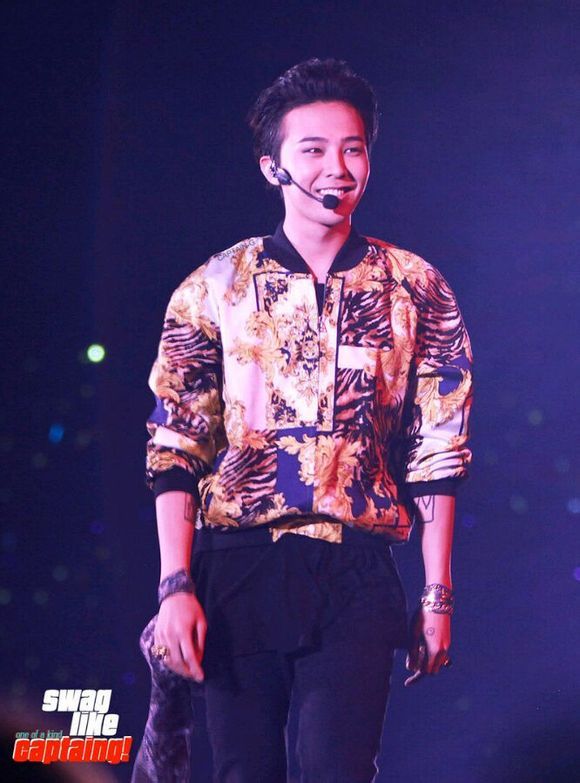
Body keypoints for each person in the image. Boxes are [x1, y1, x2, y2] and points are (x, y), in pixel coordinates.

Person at [135, 58, 473, 783]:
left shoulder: (416, 288)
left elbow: (439, 448)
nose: (337, 167)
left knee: (339, 769)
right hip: (238, 566)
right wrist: (175, 587)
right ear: (273, 167)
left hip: (357, 568)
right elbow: (176, 445)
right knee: (243, 771)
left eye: (353, 148)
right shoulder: (214, 287)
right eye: (314, 149)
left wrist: (437, 593)